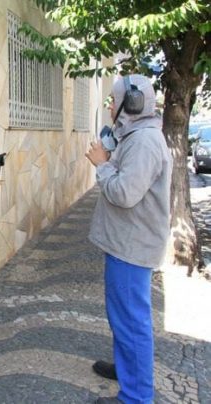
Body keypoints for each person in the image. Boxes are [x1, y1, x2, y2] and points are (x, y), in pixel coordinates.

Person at [85, 74, 172, 404]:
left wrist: (102, 165)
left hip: (132, 247)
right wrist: (110, 151)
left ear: (130, 104)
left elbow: (123, 193)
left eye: (113, 100)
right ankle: (127, 369)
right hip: (126, 242)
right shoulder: (134, 134)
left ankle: (135, 397)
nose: (109, 106)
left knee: (132, 321)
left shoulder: (145, 141)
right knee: (122, 316)